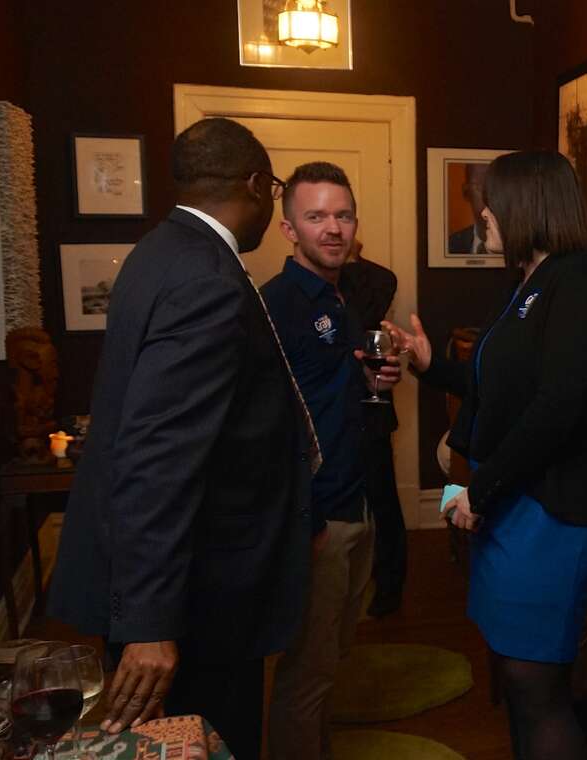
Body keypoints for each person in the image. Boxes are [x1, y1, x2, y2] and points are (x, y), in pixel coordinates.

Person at [47, 118, 316, 760]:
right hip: (197, 596)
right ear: (256, 185)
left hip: (178, 578)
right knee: (207, 743)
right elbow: (159, 456)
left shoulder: (161, 250)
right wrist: (148, 624)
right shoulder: (206, 278)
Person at [385, 150, 587, 760]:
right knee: (517, 677)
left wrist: (480, 489)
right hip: (516, 503)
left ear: (527, 205)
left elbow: (555, 410)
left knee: (536, 683)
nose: (483, 214)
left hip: (555, 511)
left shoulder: (583, 281)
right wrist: (432, 365)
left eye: (491, 201)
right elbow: (497, 387)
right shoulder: (527, 283)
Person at [262, 162, 401, 760]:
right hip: (318, 519)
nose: (333, 228)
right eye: (316, 216)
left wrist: (371, 376)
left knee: (332, 659)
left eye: (342, 215)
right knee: (307, 674)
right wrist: (308, 520)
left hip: (356, 501)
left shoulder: (340, 299)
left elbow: (325, 392)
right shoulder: (277, 306)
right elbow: (268, 428)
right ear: (288, 228)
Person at [342, 241, 406, 617]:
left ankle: (389, 589)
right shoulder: (306, 286)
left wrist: (345, 264)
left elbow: (360, 316)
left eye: (344, 218)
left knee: (383, 500)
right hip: (328, 411)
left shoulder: (378, 278)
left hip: (371, 407)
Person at [447, 162, 489, 254]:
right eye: (480, 186)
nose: (490, 195)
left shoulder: (521, 247)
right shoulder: (450, 246)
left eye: (497, 186)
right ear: (466, 192)